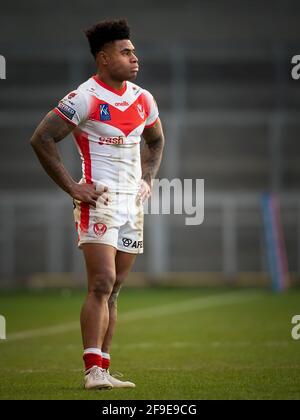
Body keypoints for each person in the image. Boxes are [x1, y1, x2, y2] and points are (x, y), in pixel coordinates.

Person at [30, 18, 165, 390]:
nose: (134, 57)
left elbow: (155, 141)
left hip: (131, 205)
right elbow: (41, 139)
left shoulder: (143, 99)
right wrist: (73, 187)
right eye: (126, 52)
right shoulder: (84, 97)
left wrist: (148, 179)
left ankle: (104, 368)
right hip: (99, 201)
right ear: (104, 59)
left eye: (134, 51)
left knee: (116, 287)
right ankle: (91, 371)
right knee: (101, 282)